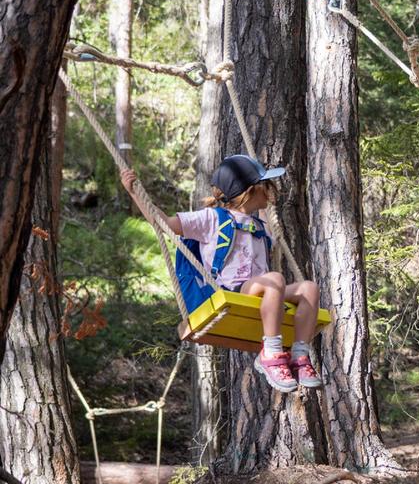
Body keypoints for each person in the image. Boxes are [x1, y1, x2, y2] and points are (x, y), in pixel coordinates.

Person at [120, 154, 322, 393]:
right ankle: (271, 352)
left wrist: (268, 215)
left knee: (309, 288)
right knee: (275, 279)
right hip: (233, 291)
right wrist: (134, 192)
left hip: (266, 293)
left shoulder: (259, 224)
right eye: (265, 186)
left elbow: (272, 235)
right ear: (250, 190)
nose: (271, 190)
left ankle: (299, 355)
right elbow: (163, 223)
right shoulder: (212, 219)